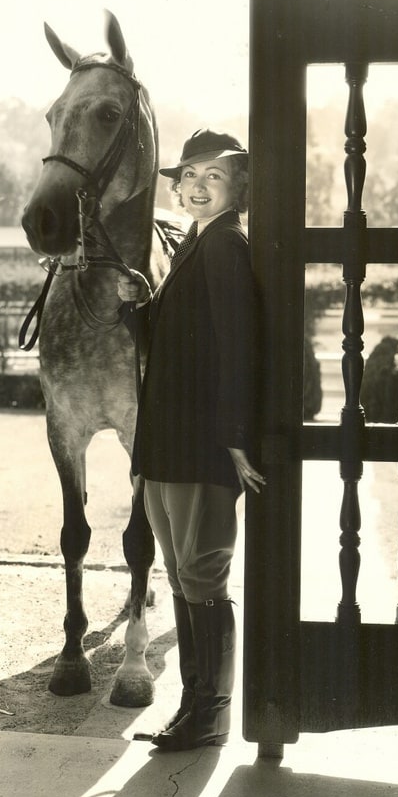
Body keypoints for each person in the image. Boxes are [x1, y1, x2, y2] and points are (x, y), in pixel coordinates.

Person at [118, 129, 265, 751]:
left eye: (214, 176)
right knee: (179, 576)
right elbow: (185, 337)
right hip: (166, 442)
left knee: (201, 575)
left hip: (201, 442)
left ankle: (212, 715)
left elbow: (238, 346)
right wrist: (140, 307)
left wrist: (233, 436)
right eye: (189, 176)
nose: (196, 186)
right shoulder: (193, 244)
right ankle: (190, 707)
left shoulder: (227, 243)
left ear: (236, 190)